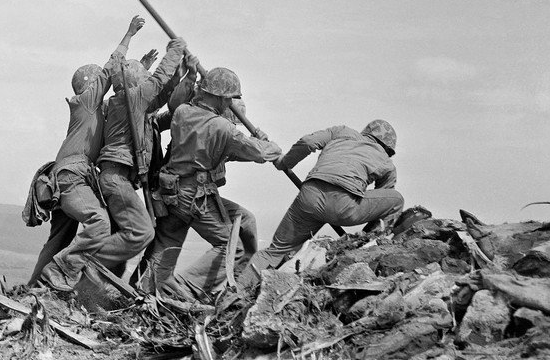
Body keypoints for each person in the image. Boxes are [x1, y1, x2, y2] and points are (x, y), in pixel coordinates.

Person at [144, 65, 282, 297]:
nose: (229, 104)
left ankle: (147, 290)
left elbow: (227, 151)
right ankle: (182, 290)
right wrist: (269, 144)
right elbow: (258, 152)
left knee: (167, 243)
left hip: (171, 192)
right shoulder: (222, 127)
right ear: (220, 97)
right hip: (195, 195)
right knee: (232, 248)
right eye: (229, 100)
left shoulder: (183, 113)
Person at [34, 16, 146, 291]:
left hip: (67, 178)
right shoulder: (85, 102)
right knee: (99, 222)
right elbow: (110, 69)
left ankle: (34, 287)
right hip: (72, 177)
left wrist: (141, 70)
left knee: (59, 238)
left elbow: (126, 97)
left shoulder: (93, 111)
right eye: (98, 82)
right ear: (90, 85)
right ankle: (62, 272)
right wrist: (129, 35)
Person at [239, 120, 404, 289]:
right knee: (396, 200)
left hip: (309, 197)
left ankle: (236, 291)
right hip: (344, 206)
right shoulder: (387, 163)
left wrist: (285, 163)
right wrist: (366, 235)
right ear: (388, 148)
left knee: (274, 251)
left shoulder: (341, 132)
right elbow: (382, 201)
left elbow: (308, 142)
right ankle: (369, 244)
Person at [90, 31, 187, 275]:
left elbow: (161, 95)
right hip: (116, 177)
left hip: (115, 177)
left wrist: (181, 74)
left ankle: (98, 285)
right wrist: (175, 49)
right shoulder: (133, 99)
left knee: (121, 240)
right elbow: (158, 80)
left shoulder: (125, 102)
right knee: (142, 232)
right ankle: (86, 262)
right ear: (136, 82)